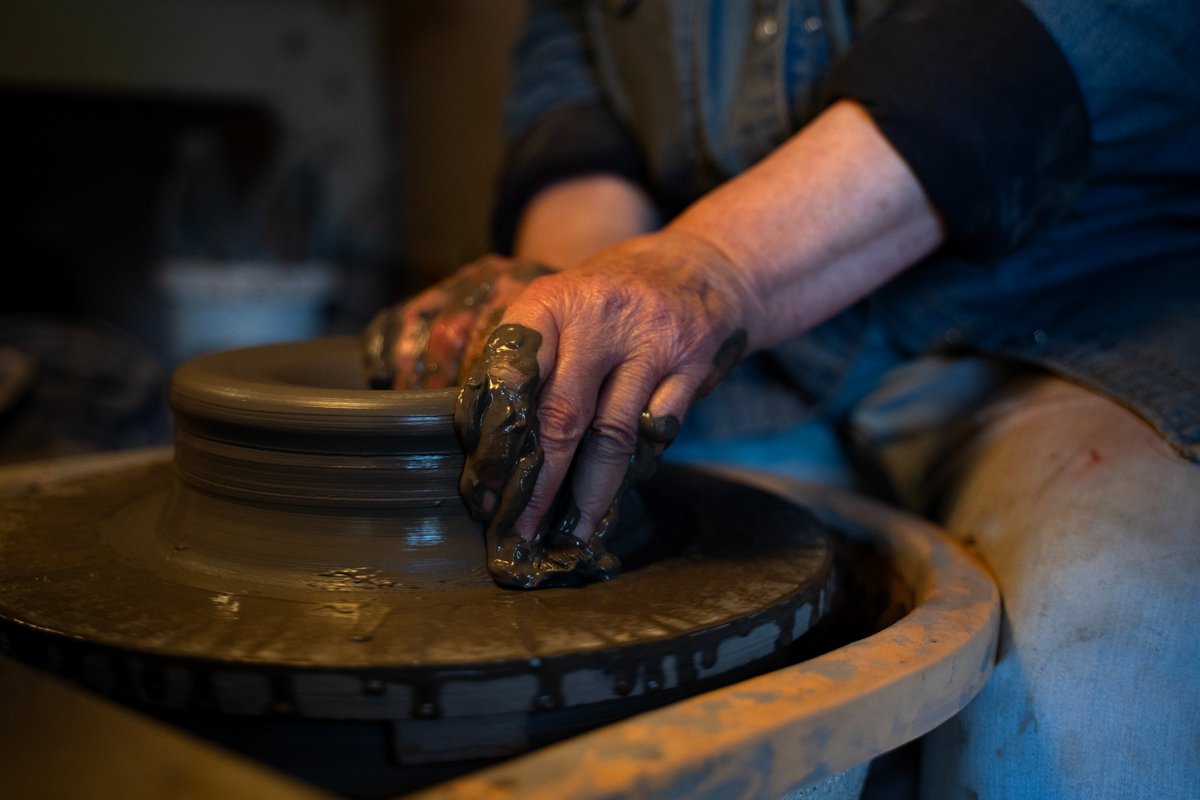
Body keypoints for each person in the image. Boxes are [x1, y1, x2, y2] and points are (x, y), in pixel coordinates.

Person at [365, 0, 1200, 796]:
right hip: (743, 359)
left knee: (1097, 651)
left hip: (1071, 315)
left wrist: (713, 266)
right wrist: (582, 289)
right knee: (592, 644)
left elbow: (1078, 38)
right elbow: (572, 85)